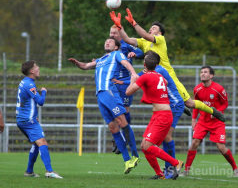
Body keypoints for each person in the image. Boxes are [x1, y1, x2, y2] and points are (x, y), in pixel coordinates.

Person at [110, 9, 225, 121]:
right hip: (154, 76)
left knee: (190, 103)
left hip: (168, 75)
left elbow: (145, 35)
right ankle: (178, 103)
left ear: (159, 33)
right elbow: (126, 39)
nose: (151, 29)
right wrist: (119, 27)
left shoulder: (160, 39)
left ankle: (212, 111)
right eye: (150, 27)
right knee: (157, 99)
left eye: (154, 28)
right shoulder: (144, 42)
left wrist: (133, 22)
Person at [68, 37, 140, 174]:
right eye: (106, 41)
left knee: (122, 122)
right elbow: (85, 66)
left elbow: (126, 63)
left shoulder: (117, 54)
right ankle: (127, 160)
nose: (107, 42)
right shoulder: (100, 59)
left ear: (116, 47)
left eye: (110, 42)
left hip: (110, 91)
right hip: (100, 95)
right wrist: (77, 63)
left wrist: (133, 73)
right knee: (113, 128)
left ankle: (135, 155)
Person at [126, 51, 184, 180]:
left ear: (144, 64)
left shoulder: (145, 76)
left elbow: (128, 92)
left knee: (148, 146)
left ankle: (176, 163)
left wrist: (132, 80)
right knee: (144, 146)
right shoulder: (160, 76)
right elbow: (166, 84)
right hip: (160, 114)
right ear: (156, 65)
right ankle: (160, 174)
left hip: (162, 115)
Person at [180, 66, 238, 177]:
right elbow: (195, 105)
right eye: (201, 72)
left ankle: (235, 169)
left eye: (205, 72)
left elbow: (225, 104)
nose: (202, 74)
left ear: (211, 76)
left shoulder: (219, 89)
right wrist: (194, 119)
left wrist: (216, 112)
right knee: (194, 143)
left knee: (221, 147)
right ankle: (186, 171)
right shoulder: (197, 89)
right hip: (203, 121)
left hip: (217, 122)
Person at [16, 60, 62, 178]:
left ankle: (29, 171)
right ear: (32, 71)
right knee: (42, 142)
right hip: (28, 120)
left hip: (23, 119)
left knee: (37, 144)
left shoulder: (24, 82)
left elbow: (27, 102)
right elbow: (40, 102)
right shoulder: (30, 84)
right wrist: (44, 92)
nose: (38, 68)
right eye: (36, 67)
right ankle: (50, 171)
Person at [109, 25, 144, 154]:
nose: (112, 35)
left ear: (120, 34)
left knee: (124, 110)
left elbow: (141, 52)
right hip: (112, 83)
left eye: (114, 33)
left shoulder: (126, 44)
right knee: (113, 112)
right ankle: (117, 137)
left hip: (124, 83)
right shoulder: (110, 46)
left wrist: (134, 54)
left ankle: (124, 138)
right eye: (111, 33)